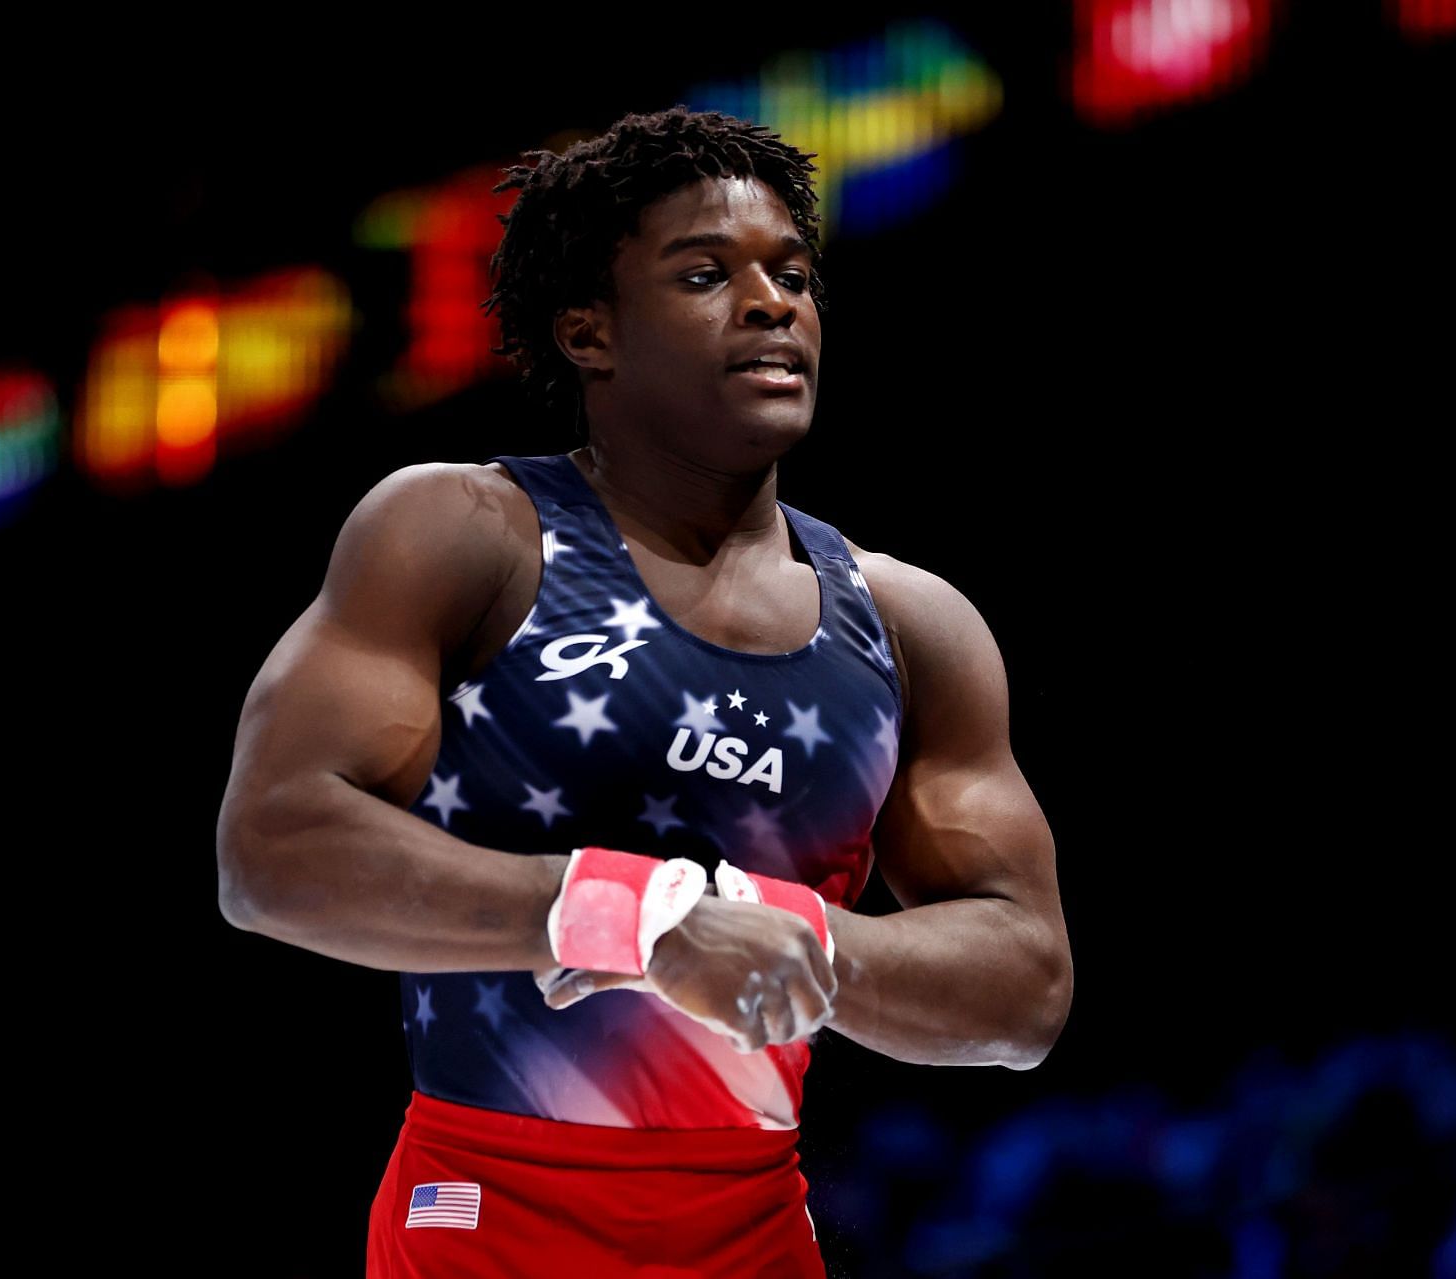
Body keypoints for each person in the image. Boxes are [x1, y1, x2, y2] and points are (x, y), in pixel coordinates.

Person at [215, 104, 1072, 1279]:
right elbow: (270, 850)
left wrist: (800, 940)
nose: (774, 304)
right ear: (590, 332)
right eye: (706, 274)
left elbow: (1025, 988)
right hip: (489, 1215)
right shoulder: (465, 533)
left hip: (753, 1231)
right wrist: (641, 917)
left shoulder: (914, 624)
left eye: (793, 274)